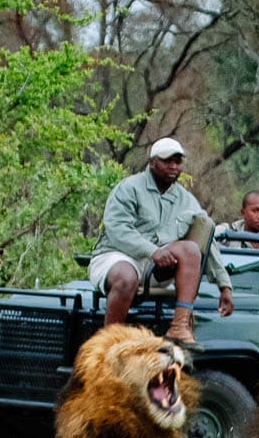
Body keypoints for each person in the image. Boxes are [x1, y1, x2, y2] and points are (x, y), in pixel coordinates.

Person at [89, 137, 233, 341]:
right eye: (167, 161)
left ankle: (180, 327)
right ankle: (110, 342)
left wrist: (224, 285)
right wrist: (152, 251)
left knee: (191, 249)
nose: (173, 166)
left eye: (178, 162)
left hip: (154, 266)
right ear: (152, 162)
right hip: (116, 255)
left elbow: (207, 236)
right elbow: (117, 229)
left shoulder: (186, 200)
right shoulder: (129, 188)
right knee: (126, 277)